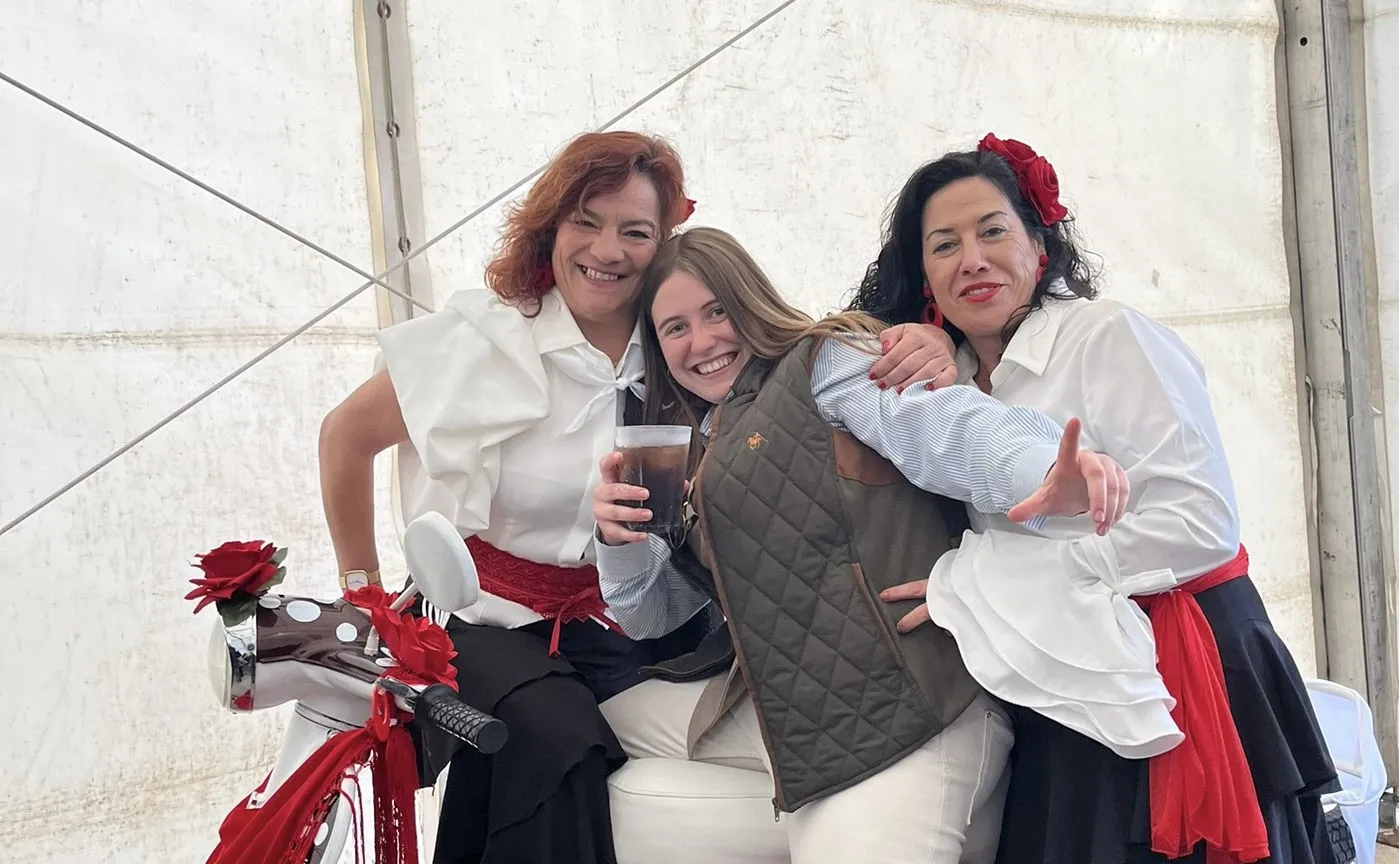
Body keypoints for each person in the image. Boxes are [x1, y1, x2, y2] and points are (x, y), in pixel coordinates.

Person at [317, 132, 965, 864]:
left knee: (756, 711)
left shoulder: (678, 343)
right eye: (586, 222)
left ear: (662, 243)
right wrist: (363, 598)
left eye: (635, 231)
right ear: (551, 227)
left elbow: (790, 350)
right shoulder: (483, 339)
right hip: (492, 621)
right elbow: (345, 437)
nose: (608, 249)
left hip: (638, 620)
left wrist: (924, 343)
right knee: (559, 738)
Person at [850, 134, 1342, 864]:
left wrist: (992, 584)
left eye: (993, 231)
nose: (972, 259)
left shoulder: (1106, 334)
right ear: (923, 274)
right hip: (1060, 673)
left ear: (1039, 244)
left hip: (1179, 661)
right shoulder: (942, 382)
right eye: (944, 245)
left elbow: (1199, 524)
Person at [590, 226, 1131, 864]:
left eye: (717, 312)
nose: (701, 341)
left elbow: (939, 426)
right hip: (791, 704)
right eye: (675, 328)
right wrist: (617, 539)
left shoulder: (821, 365)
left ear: (751, 302)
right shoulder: (698, 443)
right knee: (594, 733)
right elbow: (650, 617)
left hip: (903, 710)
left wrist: (1043, 471)